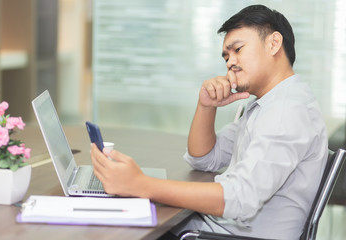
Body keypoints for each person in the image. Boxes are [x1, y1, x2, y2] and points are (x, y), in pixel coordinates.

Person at [90, 4, 328, 239]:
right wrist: (206, 106)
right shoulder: (268, 105)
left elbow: (240, 198)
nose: (229, 62)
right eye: (226, 56)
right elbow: (204, 158)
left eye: (238, 49)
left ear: (274, 43)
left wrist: (141, 185)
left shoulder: (286, 112)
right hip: (214, 229)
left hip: (224, 235)